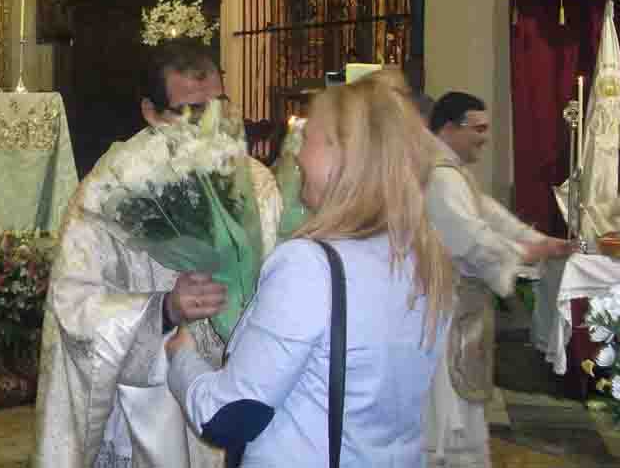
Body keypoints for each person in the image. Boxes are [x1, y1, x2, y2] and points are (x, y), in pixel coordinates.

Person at [166, 71, 454, 467]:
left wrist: (182, 358)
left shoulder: (310, 266)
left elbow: (228, 416)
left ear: (344, 155)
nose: (297, 153)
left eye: (310, 137)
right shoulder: (420, 256)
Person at [32, 38, 282, 468]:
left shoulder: (256, 182)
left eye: (219, 106)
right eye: (190, 113)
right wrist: (162, 310)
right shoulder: (111, 188)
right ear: (150, 112)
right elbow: (74, 307)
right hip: (154, 405)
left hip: (241, 389)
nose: (210, 126)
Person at [423, 92, 574, 468]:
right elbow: (470, 237)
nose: (484, 137)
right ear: (448, 128)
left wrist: (541, 242)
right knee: (447, 414)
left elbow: (492, 216)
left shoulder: (452, 172)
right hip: (446, 311)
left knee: (461, 406)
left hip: (461, 308)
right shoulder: (440, 176)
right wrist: (525, 252)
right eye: (479, 128)